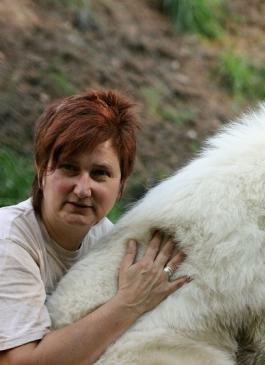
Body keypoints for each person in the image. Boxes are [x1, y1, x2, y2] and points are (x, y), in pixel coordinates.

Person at [0, 90, 191, 364]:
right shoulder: (9, 242)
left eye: (100, 173)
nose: (82, 189)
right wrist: (129, 303)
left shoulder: (109, 240)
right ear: (42, 171)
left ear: (121, 185)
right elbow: (19, 362)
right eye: (69, 168)